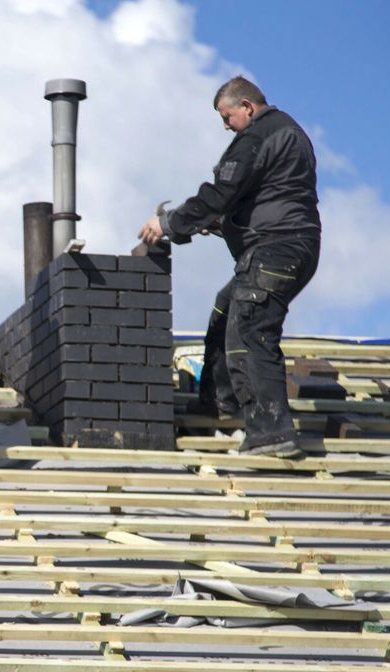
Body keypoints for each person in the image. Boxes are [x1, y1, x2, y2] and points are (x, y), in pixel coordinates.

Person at [139, 76, 321, 459]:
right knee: (227, 312)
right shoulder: (290, 133)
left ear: (248, 107)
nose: (225, 126)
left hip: (274, 249)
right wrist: (224, 224)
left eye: (227, 116)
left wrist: (169, 223)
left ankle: (271, 433)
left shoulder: (259, 135)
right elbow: (268, 195)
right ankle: (220, 405)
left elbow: (220, 192)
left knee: (250, 331)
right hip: (292, 247)